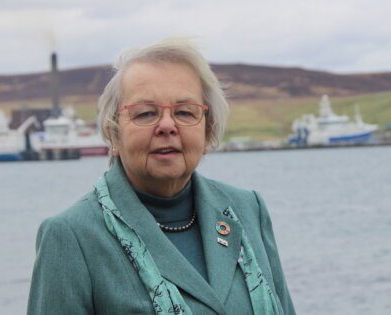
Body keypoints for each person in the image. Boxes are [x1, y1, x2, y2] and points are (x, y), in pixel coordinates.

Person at [27, 38, 295, 315]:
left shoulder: (248, 209)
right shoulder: (71, 236)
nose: (167, 125)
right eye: (145, 113)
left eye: (184, 112)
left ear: (208, 129)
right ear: (114, 132)